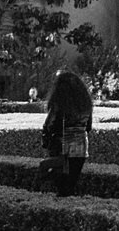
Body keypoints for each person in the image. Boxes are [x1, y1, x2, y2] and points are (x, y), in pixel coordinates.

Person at [39, 60, 94, 196]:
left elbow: (49, 126)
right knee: (70, 186)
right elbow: (88, 127)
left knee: (55, 180)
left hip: (61, 148)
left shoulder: (59, 104)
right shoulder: (85, 105)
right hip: (80, 149)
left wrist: (47, 142)